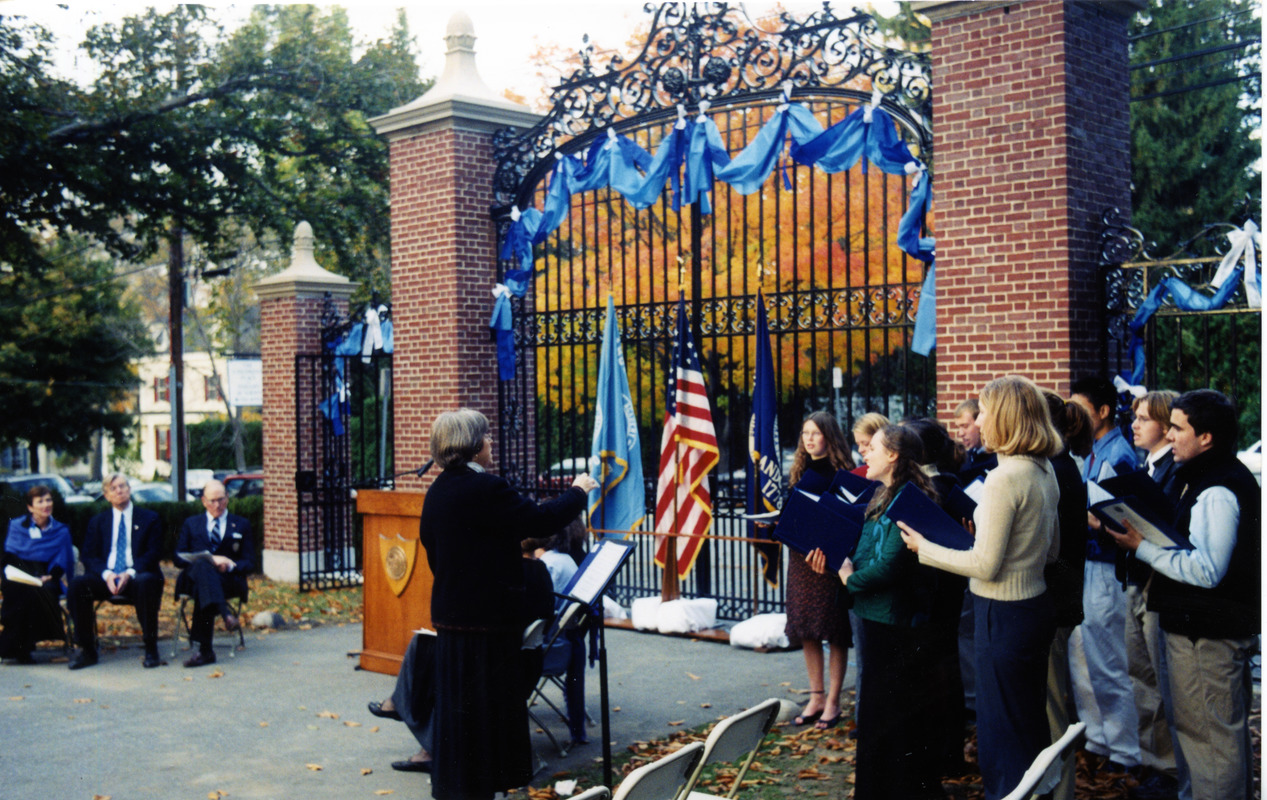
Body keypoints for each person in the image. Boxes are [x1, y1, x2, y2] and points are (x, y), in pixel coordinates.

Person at [419, 408, 597, 800]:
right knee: (487, 720)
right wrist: (579, 491)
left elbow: (435, 551)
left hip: (452, 621)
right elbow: (539, 520)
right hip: (487, 626)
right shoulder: (485, 488)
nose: (491, 443)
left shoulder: (438, 490)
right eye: (486, 437)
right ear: (472, 445)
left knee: (461, 724)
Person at [899, 375, 1061, 800]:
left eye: (985, 411)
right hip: (1033, 606)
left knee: (1000, 733)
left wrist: (924, 548)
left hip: (1002, 613)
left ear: (1005, 417)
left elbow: (984, 566)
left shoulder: (1004, 478)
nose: (979, 420)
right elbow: (1050, 551)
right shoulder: (1044, 469)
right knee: (1026, 725)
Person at [1108, 389, 1259, 800]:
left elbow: (1207, 570)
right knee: (1208, 741)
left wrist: (1142, 547)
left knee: (1210, 743)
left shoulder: (1217, 488)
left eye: (1177, 427)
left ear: (1206, 436)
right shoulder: (1204, 476)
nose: (1170, 436)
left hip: (1205, 636)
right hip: (1199, 631)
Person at [808, 424, 943, 800]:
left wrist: (849, 577)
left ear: (894, 456)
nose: (863, 453)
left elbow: (890, 566)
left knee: (891, 722)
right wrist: (835, 561)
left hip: (895, 623)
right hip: (874, 616)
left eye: (873, 448)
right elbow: (865, 551)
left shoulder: (910, 498)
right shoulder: (882, 494)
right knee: (874, 720)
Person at [370, 542, 556, 774]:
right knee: (428, 654)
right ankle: (411, 722)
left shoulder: (511, 571)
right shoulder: (540, 571)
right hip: (525, 662)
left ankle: (407, 713)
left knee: (429, 659)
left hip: (501, 666)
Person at [1068, 375, 1141, 776]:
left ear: (1102, 411)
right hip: (1089, 563)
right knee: (1087, 655)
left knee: (1109, 657)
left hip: (1105, 567)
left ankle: (1125, 749)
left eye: (1081, 408)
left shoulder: (1117, 454)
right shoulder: (1095, 451)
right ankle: (1098, 736)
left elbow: (1119, 518)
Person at [901, 418, 969, 778]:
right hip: (942, 586)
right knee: (941, 666)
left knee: (937, 670)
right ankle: (945, 749)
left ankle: (943, 751)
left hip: (935, 587)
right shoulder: (939, 483)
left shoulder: (937, 487)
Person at [1122, 390, 1181, 798]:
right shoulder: (1147, 466)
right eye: (1135, 417)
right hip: (1136, 578)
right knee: (1140, 674)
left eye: (1145, 418)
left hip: (1158, 582)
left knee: (1161, 679)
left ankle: (1169, 768)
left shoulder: (1173, 472)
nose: (1135, 424)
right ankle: (1152, 759)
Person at [783, 411, 855, 729]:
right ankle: (816, 695)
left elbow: (851, 518)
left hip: (829, 561)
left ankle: (834, 700)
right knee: (807, 627)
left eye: (815, 433)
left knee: (834, 629)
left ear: (829, 436)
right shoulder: (799, 471)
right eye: (804, 433)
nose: (809, 439)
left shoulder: (844, 472)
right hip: (801, 558)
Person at [1041, 390, 1093, 800]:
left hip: (1053, 602)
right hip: (1059, 599)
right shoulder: (1059, 466)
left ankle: (1059, 793)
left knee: (1052, 709)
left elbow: (1054, 552)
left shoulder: (1055, 471)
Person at [67, 473, 166, 669]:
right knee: (78, 585)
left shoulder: (149, 518)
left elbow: (153, 553)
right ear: (106, 495)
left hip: (137, 576)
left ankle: (150, 647)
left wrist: (129, 573)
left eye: (122, 486)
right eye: (113, 488)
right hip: (107, 578)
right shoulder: (98, 521)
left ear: (129, 489)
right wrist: (108, 574)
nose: (119, 491)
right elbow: (88, 556)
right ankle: (87, 650)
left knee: (146, 582)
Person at [172, 479, 254, 668]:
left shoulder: (241, 524)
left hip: (228, 579)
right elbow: (177, 558)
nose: (217, 505)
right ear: (203, 501)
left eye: (221, 499)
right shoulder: (191, 524)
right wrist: (209, 560)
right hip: (191, 580)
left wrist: (230, 565)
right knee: (202, 566)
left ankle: (205, 651)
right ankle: (226, 615)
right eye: (212, 501)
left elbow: (250, 562)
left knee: (206, 583)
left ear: (227, 498)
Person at [0, 485, 74, 663]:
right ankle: (17, 647)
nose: (46, 504)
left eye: (48, 500)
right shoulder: (17, 526)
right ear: (30, 507)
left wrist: (51, 575)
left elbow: (64, 558)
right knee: (17, 589)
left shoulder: (61, 530)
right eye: (40, 501)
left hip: (48, 574)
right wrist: (28, 576)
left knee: (40, 591)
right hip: (21, 572)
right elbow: (10, 554)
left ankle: (23, 645)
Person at [954, 398, 996, 484]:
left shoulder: (997, 459)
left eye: (965, 426)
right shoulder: (964, 459)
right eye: (959, 427)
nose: (961, 433)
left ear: (979, 422)